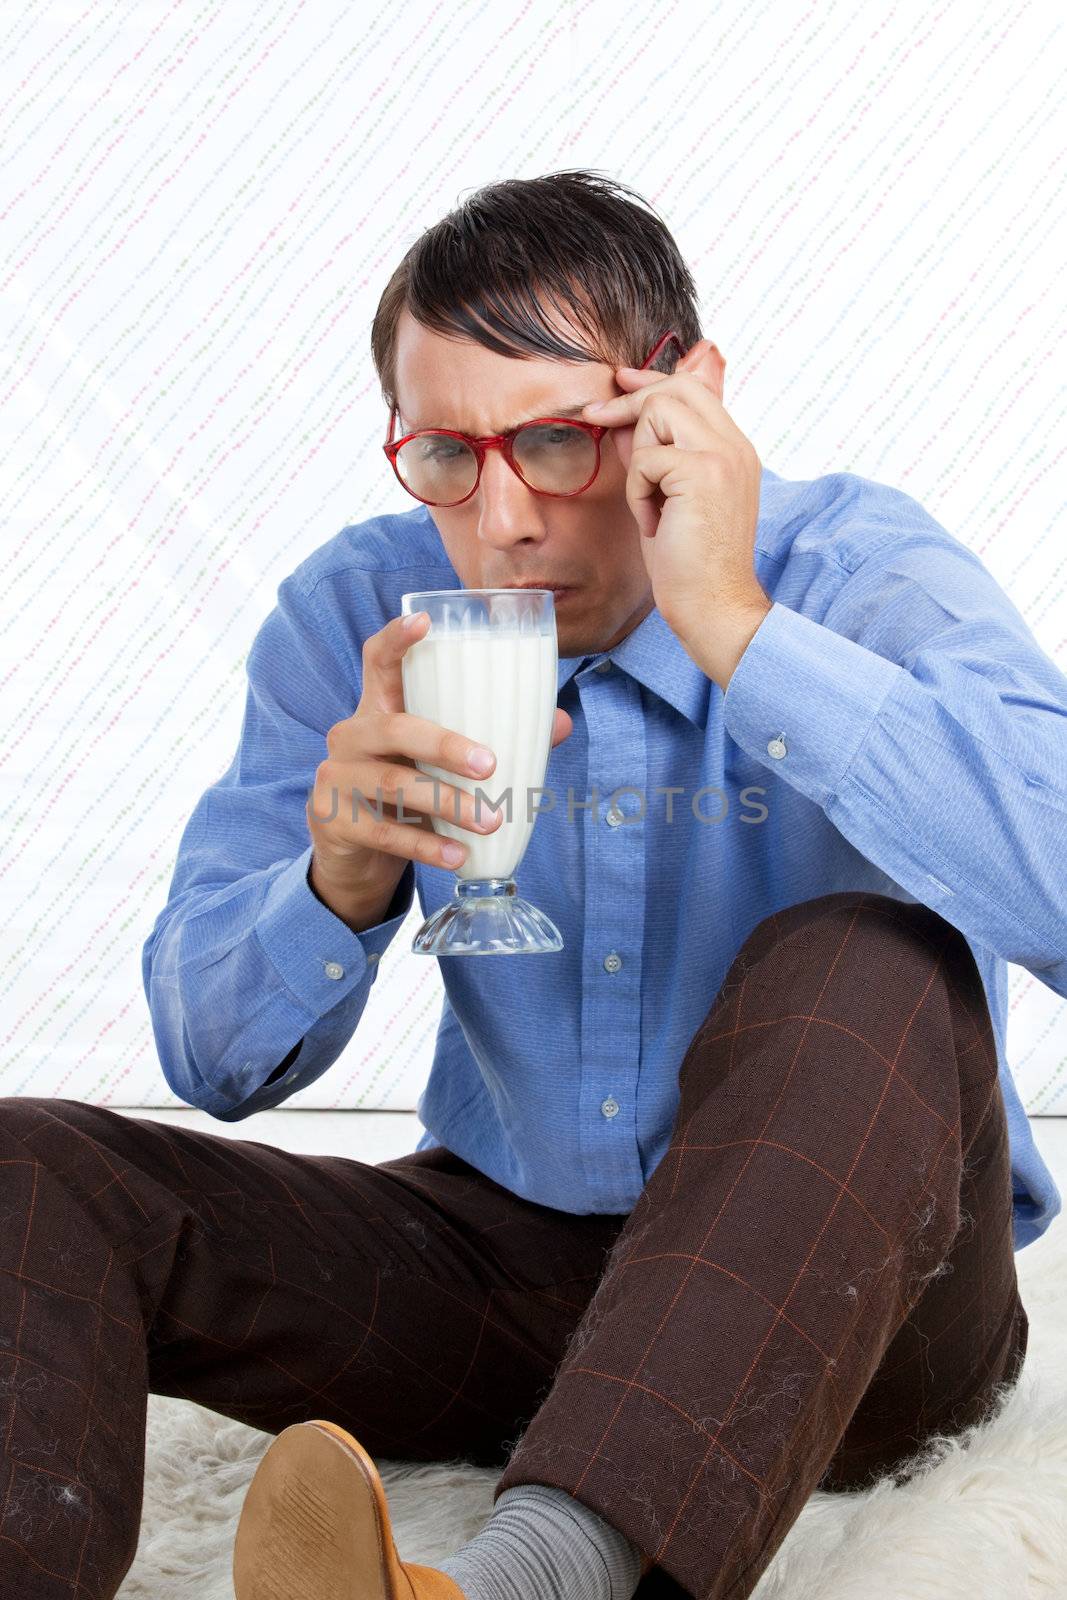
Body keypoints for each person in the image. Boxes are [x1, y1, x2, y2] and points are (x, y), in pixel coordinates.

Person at [2, 170, 1062, 1600]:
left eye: (558, 441)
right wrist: (338, 880)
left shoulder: (852, 567)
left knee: (865, 952)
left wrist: (735, 625)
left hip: (874, 1311)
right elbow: (210, 1055)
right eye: (445, 455)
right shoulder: (361, 610)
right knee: (32, 1168)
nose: (499, 519)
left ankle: (524, 1587)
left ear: (686, 402)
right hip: (512, 1269)